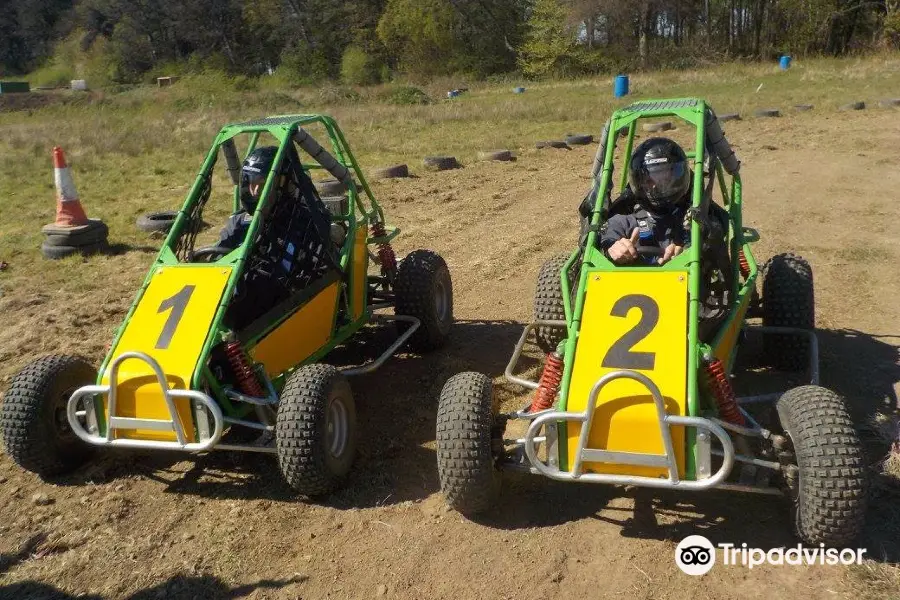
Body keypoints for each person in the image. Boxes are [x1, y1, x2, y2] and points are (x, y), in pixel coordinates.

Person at [597, 137, 694, 266]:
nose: (655, 186)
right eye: (648, 180)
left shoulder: (692, 221)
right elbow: (605, 239)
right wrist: (613, 248)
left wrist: (687, 252)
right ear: (639, 183)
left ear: (677, 177)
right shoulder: (623, 222)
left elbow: (712, 237)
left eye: (662, 180)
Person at [217, 145, 278, 249]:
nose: (255, 191)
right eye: (253, 184)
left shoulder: (301, 224)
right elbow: (218, 255)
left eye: (263, 185)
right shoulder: (238, 222)